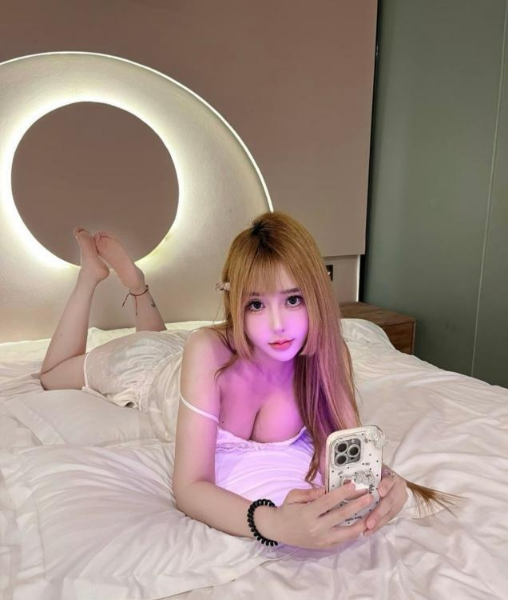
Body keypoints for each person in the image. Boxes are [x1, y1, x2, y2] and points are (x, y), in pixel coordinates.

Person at [40, 212, 450, 550]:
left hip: (197, 367)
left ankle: (137, 287)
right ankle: (92, 275)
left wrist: (386, 483)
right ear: (236, 302)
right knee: (55, 374)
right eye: (256, 304)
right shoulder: (206, 349)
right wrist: (274, 523)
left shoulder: (328, 355)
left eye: (293, 299)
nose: (277, 325)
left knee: (160, 337)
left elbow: (346, 452)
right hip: (154, 374)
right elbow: (190, 487)